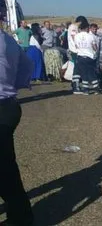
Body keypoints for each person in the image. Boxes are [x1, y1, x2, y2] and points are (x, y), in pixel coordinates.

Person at [0, 25, 35, 226]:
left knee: (5, 170)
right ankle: (21, 215)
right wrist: (12, 85)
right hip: (9, 106)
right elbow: (27, 66)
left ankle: (21, 217)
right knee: (6, 168)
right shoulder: (9, 40)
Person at [73, 21, 101, 95]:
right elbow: (95, 47)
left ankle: (85, 90)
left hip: (80, 57)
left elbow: (76, 46)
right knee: (92, 73)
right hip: (90, 57)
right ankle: (96, 88)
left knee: (84, 73)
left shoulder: (76, 36)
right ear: (87, 28)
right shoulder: (90, 36)